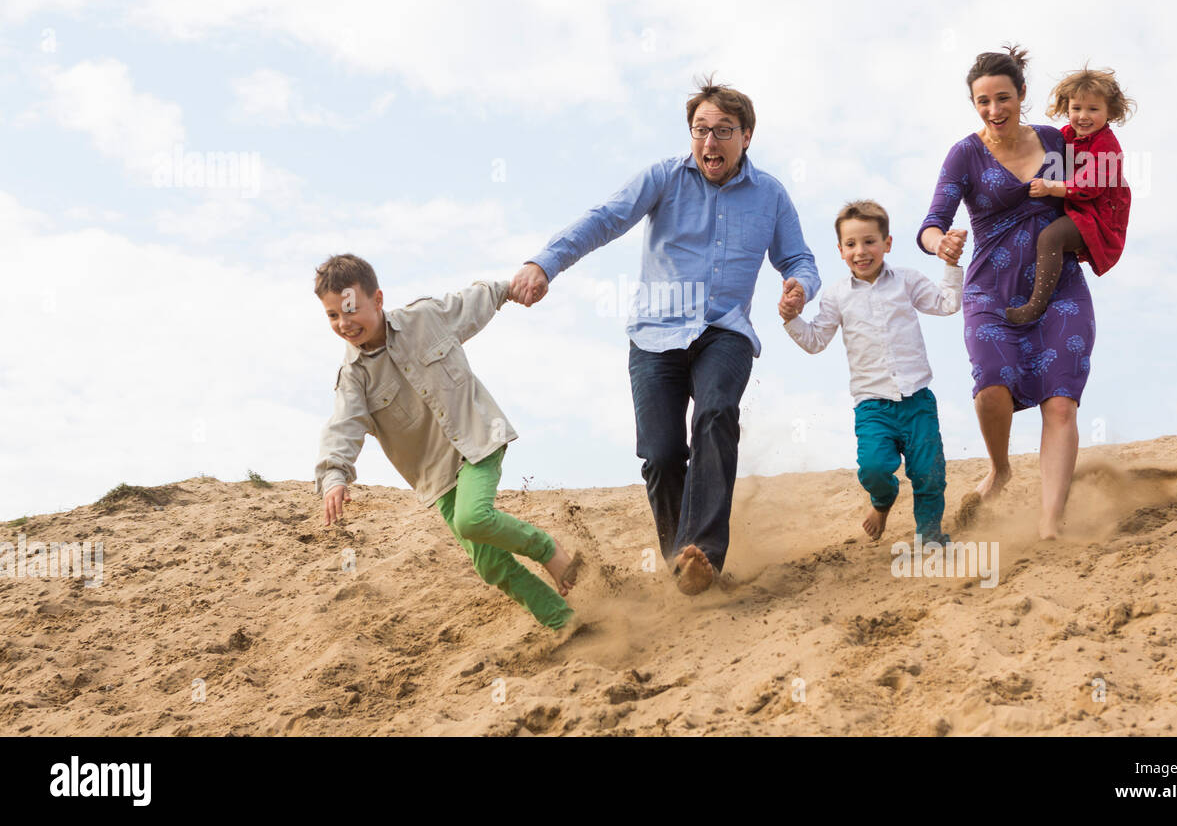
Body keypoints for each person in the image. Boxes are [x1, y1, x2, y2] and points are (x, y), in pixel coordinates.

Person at [509, 76, 821, 594]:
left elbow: (799, 258)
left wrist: (799, 286)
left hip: (725, 330)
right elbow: (605, 219)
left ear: (747, 136)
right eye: (701, 130)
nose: (710, 142)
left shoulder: (770, 195)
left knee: (717, 413)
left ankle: (705, 551)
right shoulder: (663, 178)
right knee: (659, 453)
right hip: (655, 334)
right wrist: (545, 262)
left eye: (724, 130)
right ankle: (683, 562)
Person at [313, 254, 581, 630]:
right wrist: (335, 476)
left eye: (350, 310)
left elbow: (472, 302)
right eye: (332, 315)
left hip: (477, 439)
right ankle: (566, 622)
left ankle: (547, 550)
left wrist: (510, 289)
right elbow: (343, 426)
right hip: (437, 475)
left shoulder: (425, 318)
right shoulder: (354, 377)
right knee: (489, 564)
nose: (343, 323)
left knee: (473, 518)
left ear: (377, 300)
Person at [918, 46, 1094, 539]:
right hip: (990, 291)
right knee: (992, 386)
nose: (993, 110)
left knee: (1060, 403)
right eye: (982, 101)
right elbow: (932, 224)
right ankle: (1000, 467)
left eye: (1002, 98)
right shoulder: (964, 154)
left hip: (1059, 287)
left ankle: (1049, 522)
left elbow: (1103, 184)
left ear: (1021, 95)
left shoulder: (1057, 142)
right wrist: (942, 246)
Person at [781, 200, 965, 545]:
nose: (861, 251)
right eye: (851, 244)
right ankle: (882, 501)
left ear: (887, 244)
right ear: (840, 250)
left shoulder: (906, 281)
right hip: (872, 407)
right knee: (874, 469)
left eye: (869, 242)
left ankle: (929, 535)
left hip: (918, 401)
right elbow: (815, 340)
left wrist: (951, 265)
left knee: (929, 473)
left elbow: (947, 304)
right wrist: (791, 317)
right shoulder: (836, 296)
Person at [1005, 65, 1134, 325]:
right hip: (1074, 206)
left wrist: (1051, 187)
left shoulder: (1107, 145)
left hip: (1098, 216)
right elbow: (1039, 141)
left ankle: (1036, 306)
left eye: (1093, 109)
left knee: (1052, 237)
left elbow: (1090, 185)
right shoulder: (1067, 135)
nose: (1083, 116)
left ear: (1110, 112)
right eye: (1076, 108)